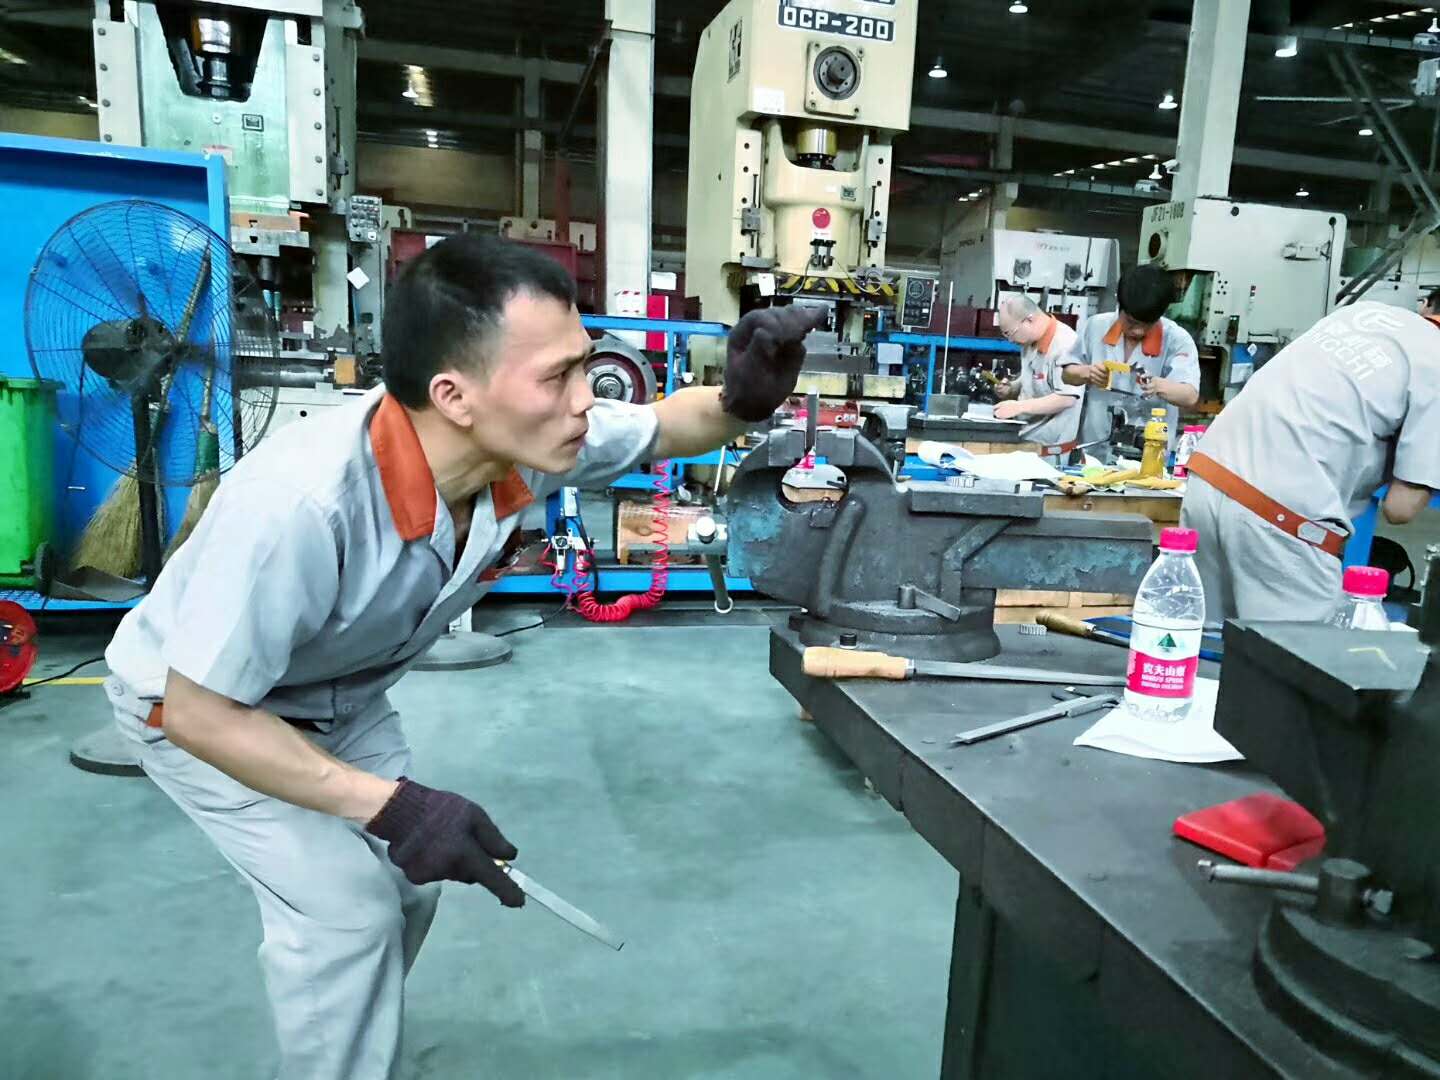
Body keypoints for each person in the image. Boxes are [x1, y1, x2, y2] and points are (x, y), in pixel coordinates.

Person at [101, 234, 827, 1080]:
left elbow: (667, 426)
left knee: (408, 887)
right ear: (453, 395)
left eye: (583, 365)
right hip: (197, 709)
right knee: (346, 918)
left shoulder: (527, 444)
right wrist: (397, 806)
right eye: (558, 376)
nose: (585, 400)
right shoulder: (299, 504)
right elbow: (203, 712)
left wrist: (743, 400)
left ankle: (355, 1048)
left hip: (336, 696)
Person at [1180, 301, 1440, 621]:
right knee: (1296, 651)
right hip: (1282, 516)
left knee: (1205, 643)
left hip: (1209, 476)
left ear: (1426, 306)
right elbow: (1401, 507)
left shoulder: (1363, 313)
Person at [1060, 263, 1200, 460]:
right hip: (1094, 452)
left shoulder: (1177, 339)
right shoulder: (1096, 326)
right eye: (1132, 322)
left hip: (1148, 456)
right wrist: (1087, 372)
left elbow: (1190, 395)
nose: (1138, 331)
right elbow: (1067, 374)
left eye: (1147, 325)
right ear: (1119, 304)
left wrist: (1158, 385)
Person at [991, 295, 1082, 455]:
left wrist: (1018, 407)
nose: (1010, 340)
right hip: (1025, 441)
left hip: (1050, 450)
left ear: (1029, 320)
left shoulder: (1066, 343)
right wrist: (1012, 388)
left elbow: (1067, 398)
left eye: (1010, 333)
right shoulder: (1029, 342)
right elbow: (1034, 378)